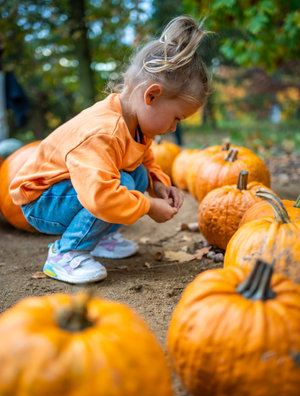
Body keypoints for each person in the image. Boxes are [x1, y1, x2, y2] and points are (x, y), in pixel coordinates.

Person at [9, 15, 210, 284]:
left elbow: (143, 157)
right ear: (151, 96)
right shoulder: (103, 131)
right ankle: (66, 254)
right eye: (176, 118)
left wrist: (158, 185)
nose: (174, 128)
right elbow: (101, 195)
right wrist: (149, 205)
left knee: (136, 176)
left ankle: (99, 237)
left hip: (73, 190)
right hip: (41, 201)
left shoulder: (135, 123)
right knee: (123, 182)